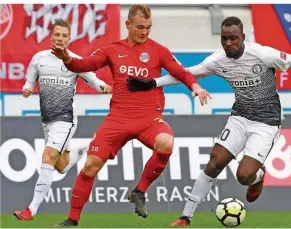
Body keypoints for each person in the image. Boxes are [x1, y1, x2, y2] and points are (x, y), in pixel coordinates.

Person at [126, 16, 291, 226]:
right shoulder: (218, 61)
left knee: (244, 176)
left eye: (233, 38)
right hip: (240, 116)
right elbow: (186, 74)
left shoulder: (262, 55)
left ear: (242, 37)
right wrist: (152, 83)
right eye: (224, 38)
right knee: (214, 163)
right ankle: (185, 217)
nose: (228, 43)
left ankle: (258, 175)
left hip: (266, 122)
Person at [51, 5, 210, 227]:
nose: (145, 32)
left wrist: (195, 87)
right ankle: (72, 220)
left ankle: (139, 191)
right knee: (90, 166)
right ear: (128, 25)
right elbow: (85, 64)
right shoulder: (112, 49)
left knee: (166, 143)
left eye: (148, 27)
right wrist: (66, 57)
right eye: (140, 27)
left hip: (148, 119)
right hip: (118, 118)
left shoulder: (159, 50)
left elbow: (180, 71)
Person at [13, 19, 112, 221]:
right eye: (57, 35)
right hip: (47, 120)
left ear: (69, 39)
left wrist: (105, 87)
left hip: (66, 119)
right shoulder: (39, 58)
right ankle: (82, 149)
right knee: (60, 166)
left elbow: (93, 79)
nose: (60, 38)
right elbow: (29, 81)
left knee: (48, 156)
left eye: (64, 36)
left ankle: (31, 209)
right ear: (52, 36)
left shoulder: (74, 61)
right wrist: (27, 88)